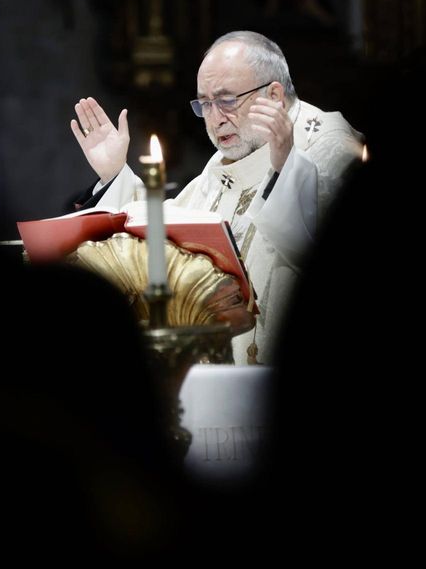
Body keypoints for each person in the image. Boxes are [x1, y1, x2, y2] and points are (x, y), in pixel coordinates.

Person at [68, 30, 363, 365]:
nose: (214, 118)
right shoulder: (225, 165)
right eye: (204, 104)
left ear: (274, 95)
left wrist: (287, 168)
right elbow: (167, 232)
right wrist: (115, 175)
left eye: (226, 100)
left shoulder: (330, 147)